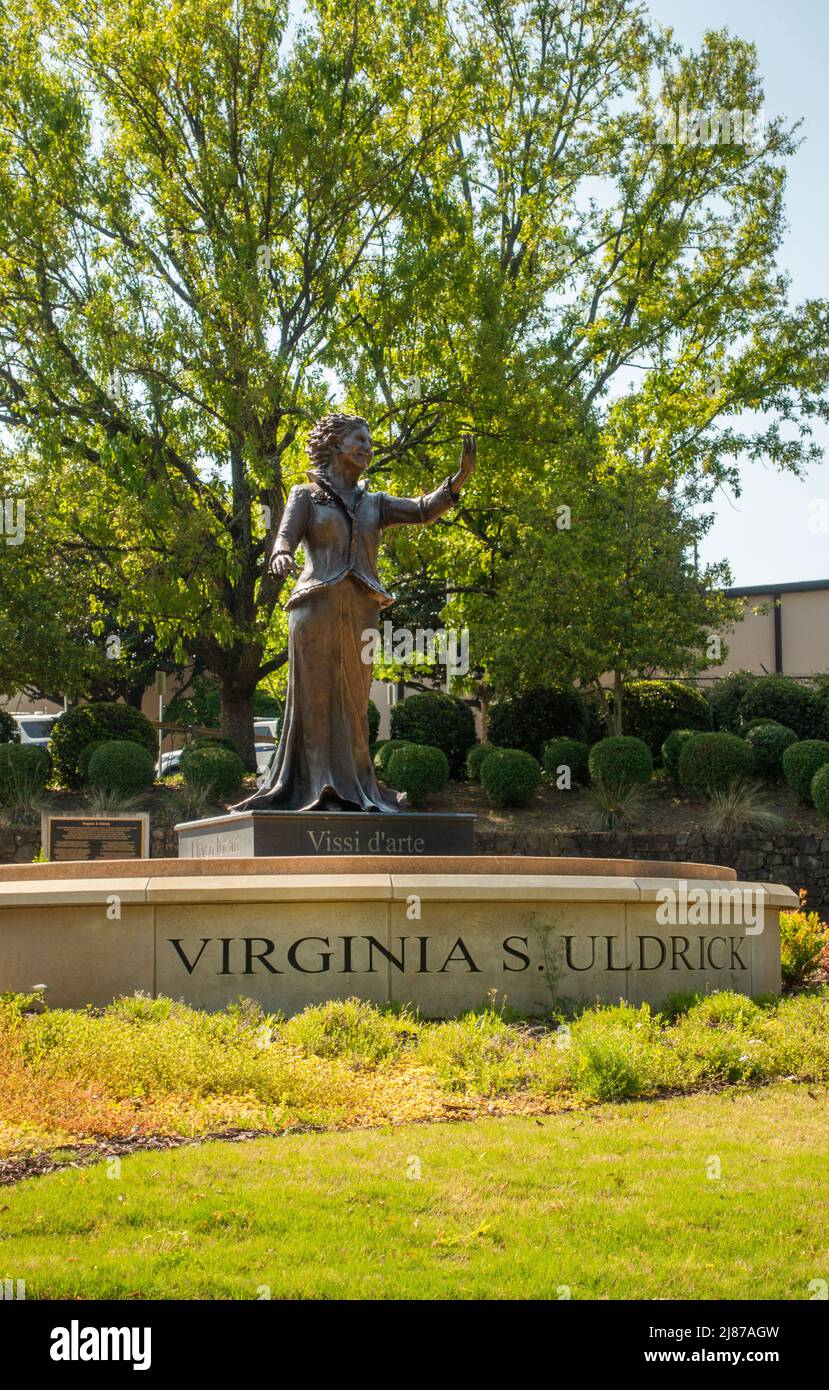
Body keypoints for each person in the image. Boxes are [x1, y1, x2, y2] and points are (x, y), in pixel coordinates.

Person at [231, 414, 476, 813]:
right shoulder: (306, 496)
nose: (368, 447)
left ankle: (357, 789)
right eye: (360, 439)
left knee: (353, 703)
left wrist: (458, 479)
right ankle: (312, 789)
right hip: (315, 609)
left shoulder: (374, 503)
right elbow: (283, 541)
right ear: (335, 444)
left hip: (362, 611)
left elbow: (421, 510)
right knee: (314, 702)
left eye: (370, 442)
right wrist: (280, 556)